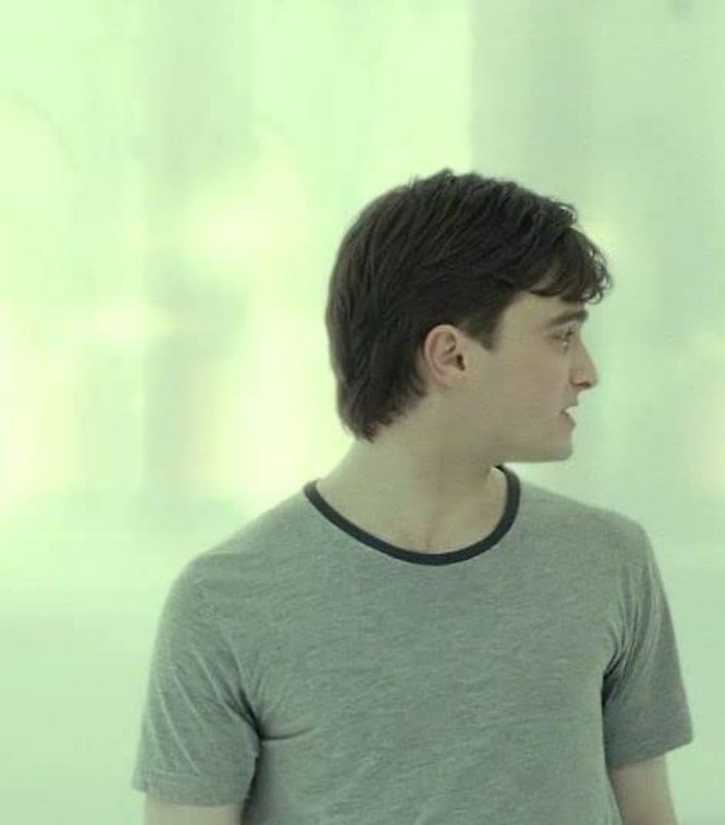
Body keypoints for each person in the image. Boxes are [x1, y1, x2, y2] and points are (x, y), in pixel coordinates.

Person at [133, 171, 692, 825]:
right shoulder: (224, 602)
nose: (586, 371)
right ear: (451, 356)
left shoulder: (611, 560)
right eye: (562, 335)